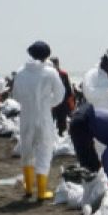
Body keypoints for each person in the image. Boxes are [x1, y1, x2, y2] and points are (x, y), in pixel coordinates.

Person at [12, 41, 66, 200]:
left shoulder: (21, 72)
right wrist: (47, 103)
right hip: (43, 116)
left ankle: (28, 188)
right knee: (44, 150)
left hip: (26, 116)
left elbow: (15, 96)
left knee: (27, 150)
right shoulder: (50, 72)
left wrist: (28, 102)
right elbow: (59, 95)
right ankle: (41, 191)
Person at [49, 56, 76, 136]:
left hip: (62, 103)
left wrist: (71, 106)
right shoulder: (47, 75)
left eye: (55, 63)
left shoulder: (63, 74)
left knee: (62, 124)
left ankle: (61, 140)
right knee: (49, 123)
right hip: (51, 103)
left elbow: (68, 90)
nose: (54, 65)